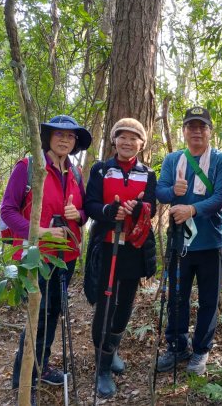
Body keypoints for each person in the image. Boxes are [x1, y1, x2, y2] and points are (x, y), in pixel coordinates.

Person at [1, 115, 91, 393]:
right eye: (59, 134)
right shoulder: (29, 168)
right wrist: (39, 232)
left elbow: (85, 212)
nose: (65, 140)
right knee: (36, 314)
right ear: (48, 137)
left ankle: (42, 365)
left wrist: (80, 214)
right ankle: (23, 379)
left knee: (53, 312)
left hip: (67, 255)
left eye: (71, 136)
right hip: (36, 256)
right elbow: (8, 211)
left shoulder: (74, 172)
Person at [155, 106, 222, 376]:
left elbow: (221, 196)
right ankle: (177, 346)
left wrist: (192, 209)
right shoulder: (173, 160)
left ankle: (201, 350)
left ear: (210, 131)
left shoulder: (221, 161)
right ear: (184, 131)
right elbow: (160, 191)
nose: (197, 131)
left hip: (212, 241)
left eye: (202, 126)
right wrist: (172, 191)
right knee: (177, 297)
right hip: (180, 242)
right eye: (191, 126)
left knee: (209, 299)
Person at [83, 118, 157, 398]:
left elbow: (153, 204)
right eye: (122, 137)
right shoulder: (101, 169)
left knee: (125, 302)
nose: (127, 142)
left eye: (133, 138)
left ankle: (112, 348)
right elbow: (90, 204)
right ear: (114, 140)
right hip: (106, 245)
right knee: (105, 303)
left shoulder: (147, 172)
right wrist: (109, 211)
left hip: (133, 247)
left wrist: (137, 207)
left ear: (141, 143)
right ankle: (101, 366)